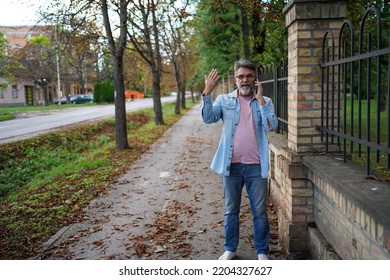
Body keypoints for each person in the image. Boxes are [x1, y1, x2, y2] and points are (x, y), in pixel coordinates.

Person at [200, 58, 278, 260]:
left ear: (255, 78)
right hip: (231, 166)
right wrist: (207, 93)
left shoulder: (265, 101)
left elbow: (271, 125)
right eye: (241, 76)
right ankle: (230, 249)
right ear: (235, 79)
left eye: (249, 76)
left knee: (259, 211)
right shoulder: (224, 100)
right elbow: (208, 118)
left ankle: (262, 251)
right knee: (231, 209)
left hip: (256, 166)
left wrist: (260, 101)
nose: (245, 80)